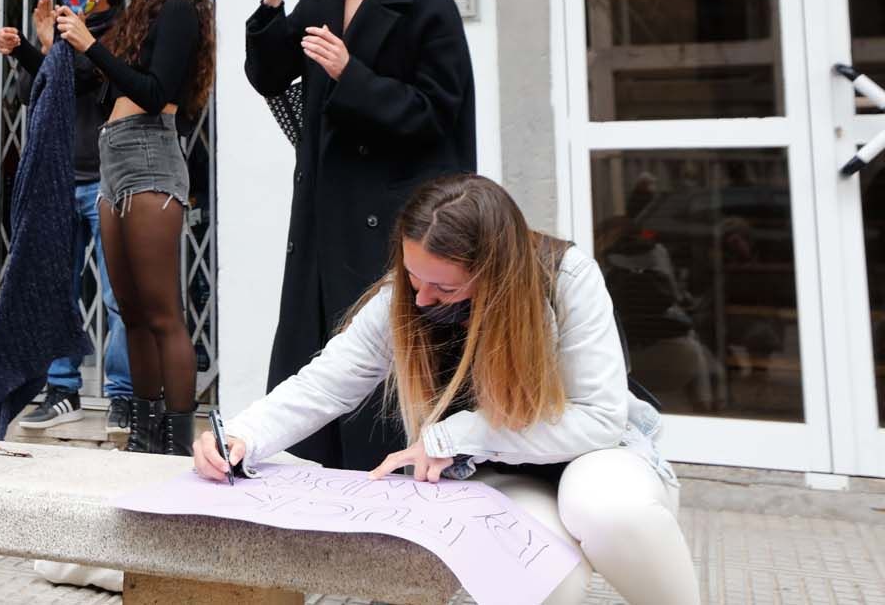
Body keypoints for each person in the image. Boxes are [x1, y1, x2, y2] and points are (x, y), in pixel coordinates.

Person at [196, 174, 700, 605]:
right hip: (499, 473)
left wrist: (456, 434)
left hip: (599, 457)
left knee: (606, 510)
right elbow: (324, 385)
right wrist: (242, 435)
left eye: (445, 287)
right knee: (544, 570)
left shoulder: (565, 276)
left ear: (496, 272)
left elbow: (598, 419)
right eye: (413, 275)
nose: (421, 296)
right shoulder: (405, 298)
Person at [245, 0, 475, 470]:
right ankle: (315, 491)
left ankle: (388, 489)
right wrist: (272, 4)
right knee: (315, 355)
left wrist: (351, 74)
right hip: (324, 214)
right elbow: (269, 75)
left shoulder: (427, 6)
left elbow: (436, 113)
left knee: (382, 372)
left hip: (392, 220)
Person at [53, 0, 216, 456]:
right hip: (114, 158)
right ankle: (145, 438)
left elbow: (154, 92)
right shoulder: (143, 16)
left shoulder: (178, 12)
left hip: (149, 158)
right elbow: (101, 83)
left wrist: (92, 45)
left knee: (161, 310)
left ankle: (176, 440)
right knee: (132, 309)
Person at [0, 0, 134, 437]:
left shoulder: (117, 35)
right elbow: (36, 95)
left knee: (118, 296)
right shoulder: (64, 34)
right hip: (59, 179)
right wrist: (32, 50)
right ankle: (62, 390)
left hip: (105, 177)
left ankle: (123, 396)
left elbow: (90, 81)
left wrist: (57, 43)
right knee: (58, 289)